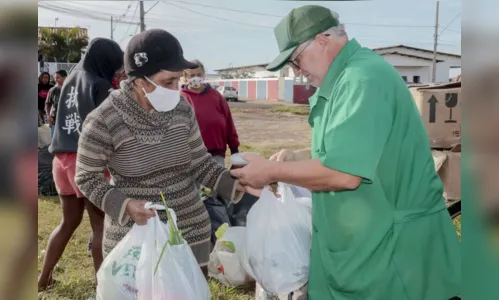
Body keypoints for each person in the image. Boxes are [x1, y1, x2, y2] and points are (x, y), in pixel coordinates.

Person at [231, 5, 461, 300]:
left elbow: (345, 171)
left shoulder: (362, 79)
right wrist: (297, 158)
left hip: (394, 253)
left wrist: (270, 172)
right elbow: (353, 148)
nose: (296, 72)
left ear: (322, 40)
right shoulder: (343, 80)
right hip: (363, 243)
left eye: (296, 60)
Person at [74, 29, 251, 276]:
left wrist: (235, 184)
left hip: (191, 227)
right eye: (168, 82)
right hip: (137, 234)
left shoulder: (182, 109)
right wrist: (125, 206)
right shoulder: (104, 120)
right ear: (139, 81)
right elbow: (86, 177)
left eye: (178, 80)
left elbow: (200, 163)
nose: (176, 88)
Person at [38, 37, 123, 291]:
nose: (117, 71)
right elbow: (113, 125)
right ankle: (103, 289)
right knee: (101, 226)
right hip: (86, 161)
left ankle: (43, 281)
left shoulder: (72, 79)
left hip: (61, 159)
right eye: (116, 65)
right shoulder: (99, 84)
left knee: (68, 222)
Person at [181, 59, 240, 167]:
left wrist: (234, 149)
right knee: (193, 184)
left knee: (219, 182)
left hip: (216, 151)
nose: (196, 78)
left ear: (204, 75)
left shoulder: (216, 96)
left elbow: (228, 122)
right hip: (190, 154)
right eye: (192, 75)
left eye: (199, 74)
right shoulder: (180, 98)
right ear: (185, 78)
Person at [45, 69, 68, 137]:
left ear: (65, 77)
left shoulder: (71, 89)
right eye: (54, 78)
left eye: (58, 77)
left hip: (68, 119)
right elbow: (47, 104)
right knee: (55, 139)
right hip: (55, 118)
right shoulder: (53, 90)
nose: (55, 79)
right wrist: (48, 115)